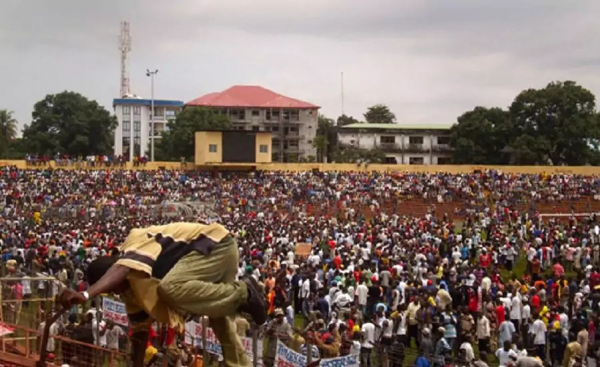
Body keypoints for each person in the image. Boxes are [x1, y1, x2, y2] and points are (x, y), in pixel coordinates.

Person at [57, 222, 266, 367]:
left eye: (113, 288)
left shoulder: (133, 244)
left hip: (216, 246)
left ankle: (243, 292)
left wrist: (86, 295)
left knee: (169, 289)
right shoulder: (134, 290)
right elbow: (140, 334)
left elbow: (122, 269)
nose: (118, 293)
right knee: (220, 322)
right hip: (210, 259)